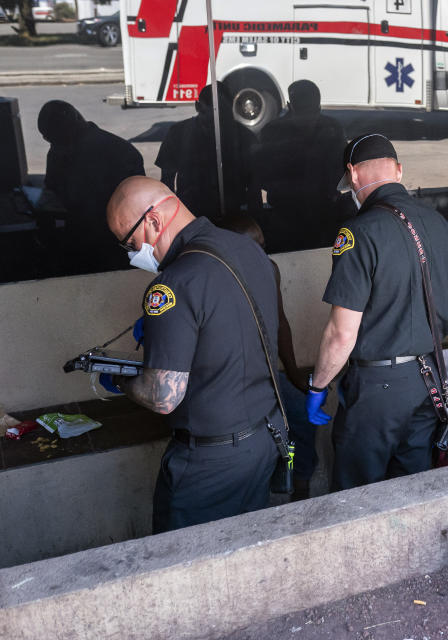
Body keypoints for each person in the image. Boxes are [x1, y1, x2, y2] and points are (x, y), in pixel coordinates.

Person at [102, 177, 280, 533]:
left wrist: (121, 381)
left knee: (182, 572)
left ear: (153, 221)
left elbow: (163, 396)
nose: (131, 254)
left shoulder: (172, 285)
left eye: (130, 242)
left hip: (209, 464)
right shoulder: (246, 249)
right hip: (263, 440)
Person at [305, 134, 448, 490]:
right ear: (399, 171)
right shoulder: (440, 225)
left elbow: (342, 333)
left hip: (378, 391)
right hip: (429, 379)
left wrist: (319, 385)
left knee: (358, 494)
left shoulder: (358, 233)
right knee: (411, 488)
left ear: (353, 175)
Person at [220, 214, 319, 501]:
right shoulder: (215, 277)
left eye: (264, 246)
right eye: (255, 248)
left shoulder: (269, 269)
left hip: (268, 377)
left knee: (302, 412)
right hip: (232, 385)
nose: (263, 254)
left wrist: (294, 373)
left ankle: (301, 489)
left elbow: (280, 324)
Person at [37, 99, 145, 273]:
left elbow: (135, 205)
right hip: (83, 237)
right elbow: (52, 188)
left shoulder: (118, 152)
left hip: (111, 242)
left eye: (56, 139)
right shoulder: (59, 150)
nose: (54, 145)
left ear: (71, 129)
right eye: (50, 140)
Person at [254, 79, 354, 249]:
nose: (307, 118)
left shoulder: (331, 129)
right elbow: (261, 176)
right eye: (304, 111)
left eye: (310, 111)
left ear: (289, 105)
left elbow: (343, 172)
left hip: (321, 214)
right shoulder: (274, 132)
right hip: (287, 215)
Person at [155, 83, 259, 220]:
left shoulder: (244, 136)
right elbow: (166, 183)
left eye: (221, 112)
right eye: (210, 112)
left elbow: (254, 188)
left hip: (232, 216)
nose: (216, 120)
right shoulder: (178, 133)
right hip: (194, 215)